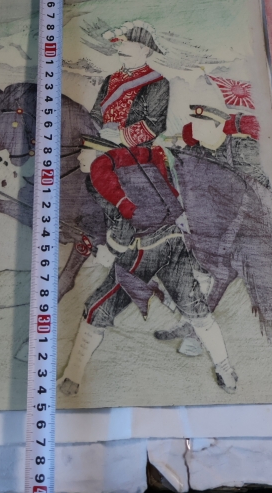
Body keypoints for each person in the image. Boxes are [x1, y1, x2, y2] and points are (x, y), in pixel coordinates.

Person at [57, 136, 238, 397]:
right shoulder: (144, 166)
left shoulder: (101, 176)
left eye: (85, 150)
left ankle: (71, 379)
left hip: (144, 251)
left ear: (101, 152)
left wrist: (109, 252)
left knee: (97, 308)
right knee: (196, 309)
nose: (79, 157)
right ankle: (226, 371)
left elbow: (122, 229)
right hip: (174, 241)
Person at [90, 21, 169, 147]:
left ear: (145, 49)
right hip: (102, 142)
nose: (121, 49)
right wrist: (97, 133)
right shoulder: (110, 79)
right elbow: (96, 113)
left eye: (128, 43)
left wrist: (121, 137)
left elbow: (156, 123)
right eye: (121, 43)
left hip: (135, 149)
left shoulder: (158, 82)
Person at [181, 104, 270, 187]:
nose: (196, 127)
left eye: (201, 124)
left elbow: (269, 176)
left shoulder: (242, 147)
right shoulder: (204, 154)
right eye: (196, 124)